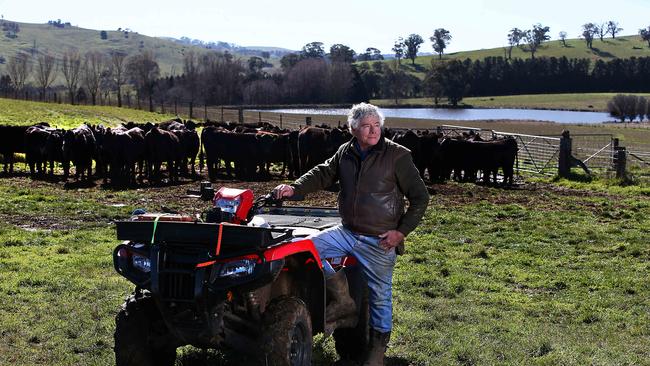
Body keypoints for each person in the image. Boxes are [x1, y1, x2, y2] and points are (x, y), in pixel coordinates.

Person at [274, 103, 429, 365]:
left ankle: (377, 352)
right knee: (310, 248)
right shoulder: (346, 152)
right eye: (367, 126)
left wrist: (400, 233)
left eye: (377, 125)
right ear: (353, 129)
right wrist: (294, 188)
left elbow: (420, 198)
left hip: (380, 238)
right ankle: (344, 301)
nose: (373, 131)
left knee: (380, 296)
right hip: (347, 232)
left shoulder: (397, 156)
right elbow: (323, 173)